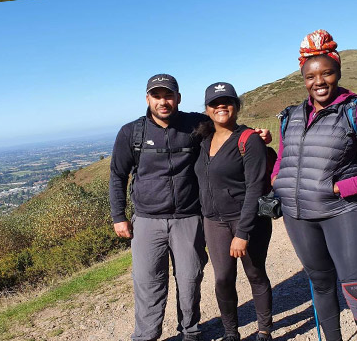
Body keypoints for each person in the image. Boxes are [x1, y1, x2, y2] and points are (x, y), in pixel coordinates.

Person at [273, 31, 357, 341]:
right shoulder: (289, 116)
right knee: (320, 283)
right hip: (298, 216)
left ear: (338, 72)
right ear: (303, 79)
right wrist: (277, 180)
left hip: (342, 212)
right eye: (310, 76)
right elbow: (283, 158)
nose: (318, 81)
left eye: (326, 73)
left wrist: (343, 188)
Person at [111, 73, 213, 341]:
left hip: (188, 217)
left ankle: (190, 332)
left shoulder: (196, 124)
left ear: (178, 98)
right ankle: (146, 336)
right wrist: (118, 216)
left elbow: (227, 126)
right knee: (148, 284)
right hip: (146, 220)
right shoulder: (131, 132)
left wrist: (254, 134)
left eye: (168, 95)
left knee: (190, 280)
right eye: (156, 96)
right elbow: (117, 175)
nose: (163, 101)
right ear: (147, 99)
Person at [197, 81, 276, 341]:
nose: (221, 106)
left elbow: (254, 188)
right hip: (214, 221)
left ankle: (264, 329)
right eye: (215, 103)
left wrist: (243, 232)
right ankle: (231, 332)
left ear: (237, 106)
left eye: (228, 101)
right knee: (222, 279)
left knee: (255, 273)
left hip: (247, 220)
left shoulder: (249, 139)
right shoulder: (202, 140)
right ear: (207, 109)